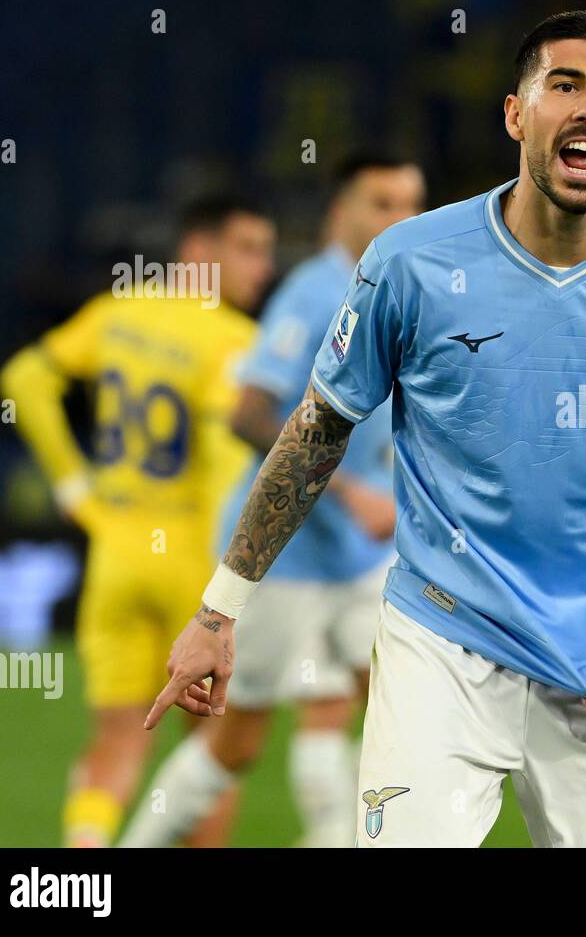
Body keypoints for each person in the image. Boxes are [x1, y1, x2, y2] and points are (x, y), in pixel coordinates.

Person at [147, 10, 586, 848]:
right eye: (565, 85)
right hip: (442, 645)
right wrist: (219, 612)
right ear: (516, 114)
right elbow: (316, 432)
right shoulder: (412, 263)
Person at [120, 156, 424, 848]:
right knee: (238, 743)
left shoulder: (405, 292)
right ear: (338, 214)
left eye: (410, 203)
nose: (399, 219)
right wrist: (349, 495)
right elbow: (249, 414)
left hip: (358, 560)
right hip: (282, 558)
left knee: (396, 717)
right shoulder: (314, 295)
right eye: (381, 203)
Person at [0, 195, 275, 847]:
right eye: (248, 248)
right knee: (207, 759)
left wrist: (73, 487)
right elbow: (225, 458)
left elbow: (24, 378)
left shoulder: (118, 313)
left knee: (116, 742)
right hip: (194, 565)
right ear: (199, 252)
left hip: (116, 552)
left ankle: (82, 869)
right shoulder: (234, 342)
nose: (262, 267)